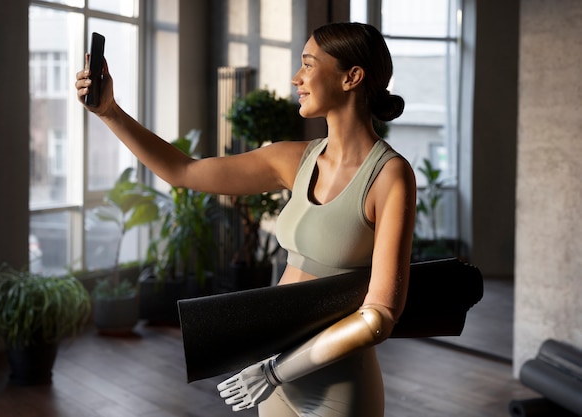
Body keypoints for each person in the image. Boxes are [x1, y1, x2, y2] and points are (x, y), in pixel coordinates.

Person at [76, 21, 416, 417]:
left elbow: (379, 317)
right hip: (270, 372)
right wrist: (110, 113)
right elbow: (183, 171)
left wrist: (276, 370)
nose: (296, 78)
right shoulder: (295, 159)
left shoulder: (390, 175)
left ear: (352, 77)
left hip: (335, 382)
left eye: (308, 65)